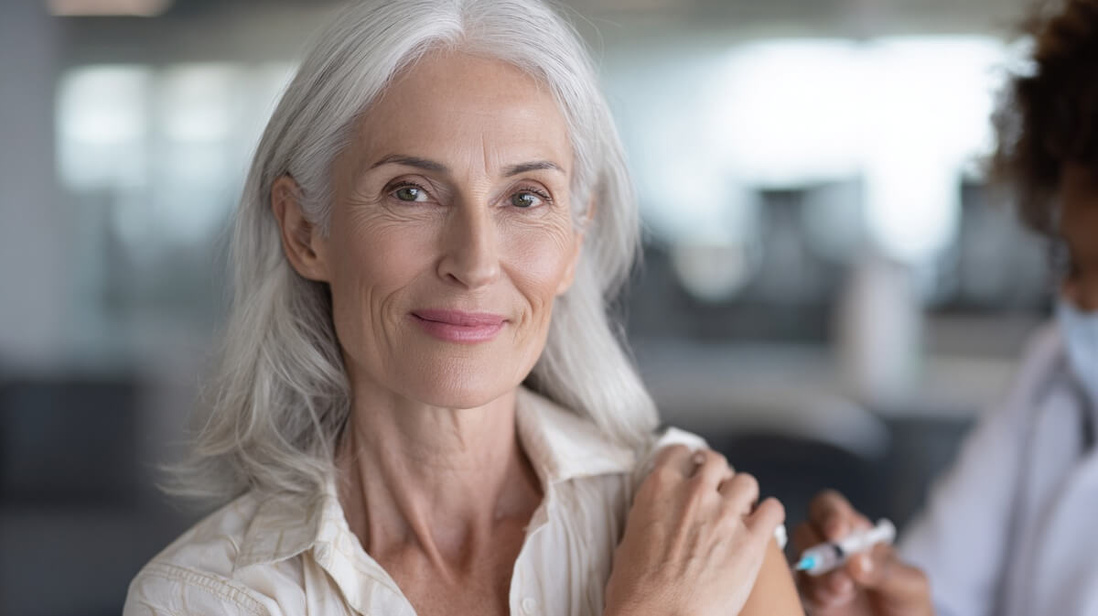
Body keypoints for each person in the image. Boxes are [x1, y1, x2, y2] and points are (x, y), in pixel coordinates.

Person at [122, 1, 804, 614]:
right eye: (411, 192)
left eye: (526, 197)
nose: (474, 262)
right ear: (305, 232)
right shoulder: (205, 598)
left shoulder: (692, 519)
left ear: (574, 243)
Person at [794, 1, 1098, 614]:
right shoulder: (1054, 374)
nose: (1073, 296)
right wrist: (876, 602)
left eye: (1092, 268)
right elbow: (942, 584)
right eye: (1068, 261)